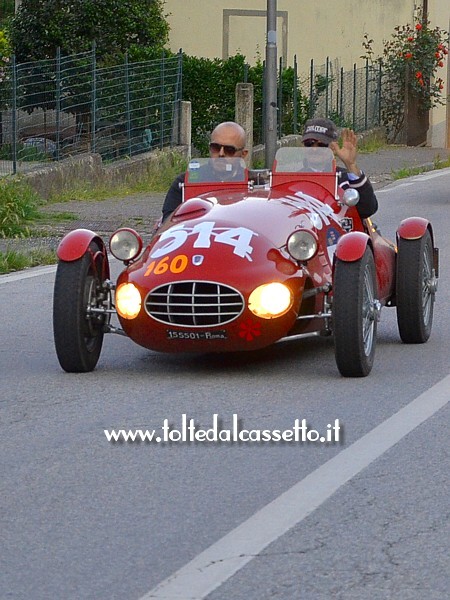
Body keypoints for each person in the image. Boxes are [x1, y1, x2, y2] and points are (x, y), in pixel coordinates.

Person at [161, 121, 249, 222]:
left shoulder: (254, 182)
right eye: (215, 147)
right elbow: (169, 223)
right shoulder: (185, 182)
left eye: (229, 150)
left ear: (243, 154)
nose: (221, 154)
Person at [302, 117, 378, 219]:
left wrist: (351, 165)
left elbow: (368, 209)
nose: (315, 149)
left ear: (334, 147)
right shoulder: (292, 179)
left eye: (322, 144)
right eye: (309, 144)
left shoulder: (345, 179)